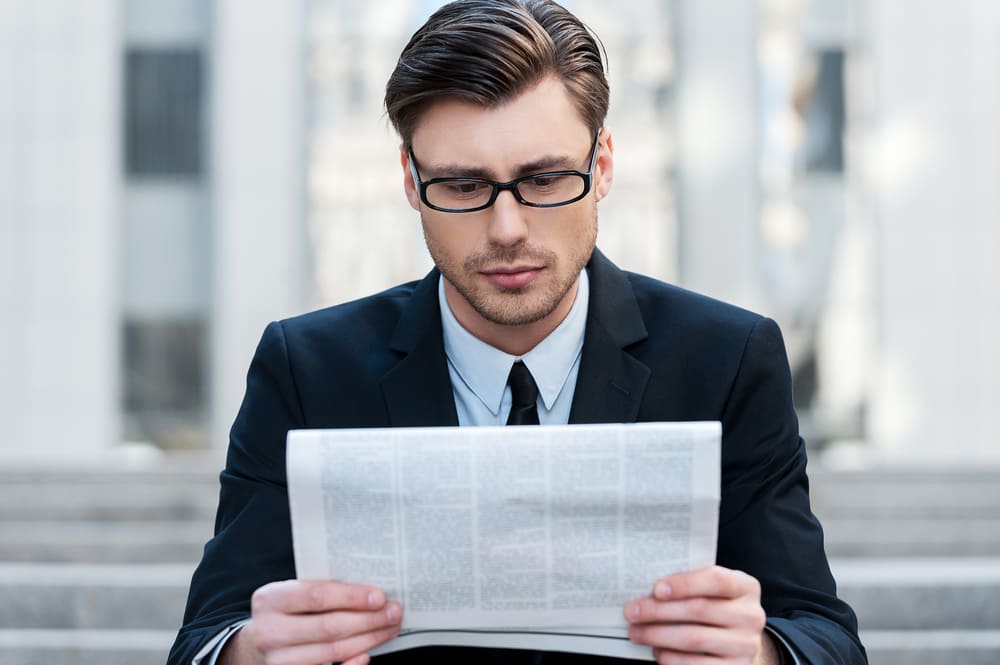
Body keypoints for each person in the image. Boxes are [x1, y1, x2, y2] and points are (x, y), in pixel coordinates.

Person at [168, 1, 867, 664]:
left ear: (603, 167)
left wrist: (758, 650)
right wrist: (254, 649)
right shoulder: (306, 367)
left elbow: (825, 635)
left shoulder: (728, 359)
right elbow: (205, 635)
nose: (507, 229)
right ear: (411, 183)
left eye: (544, 178)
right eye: (464, 186)